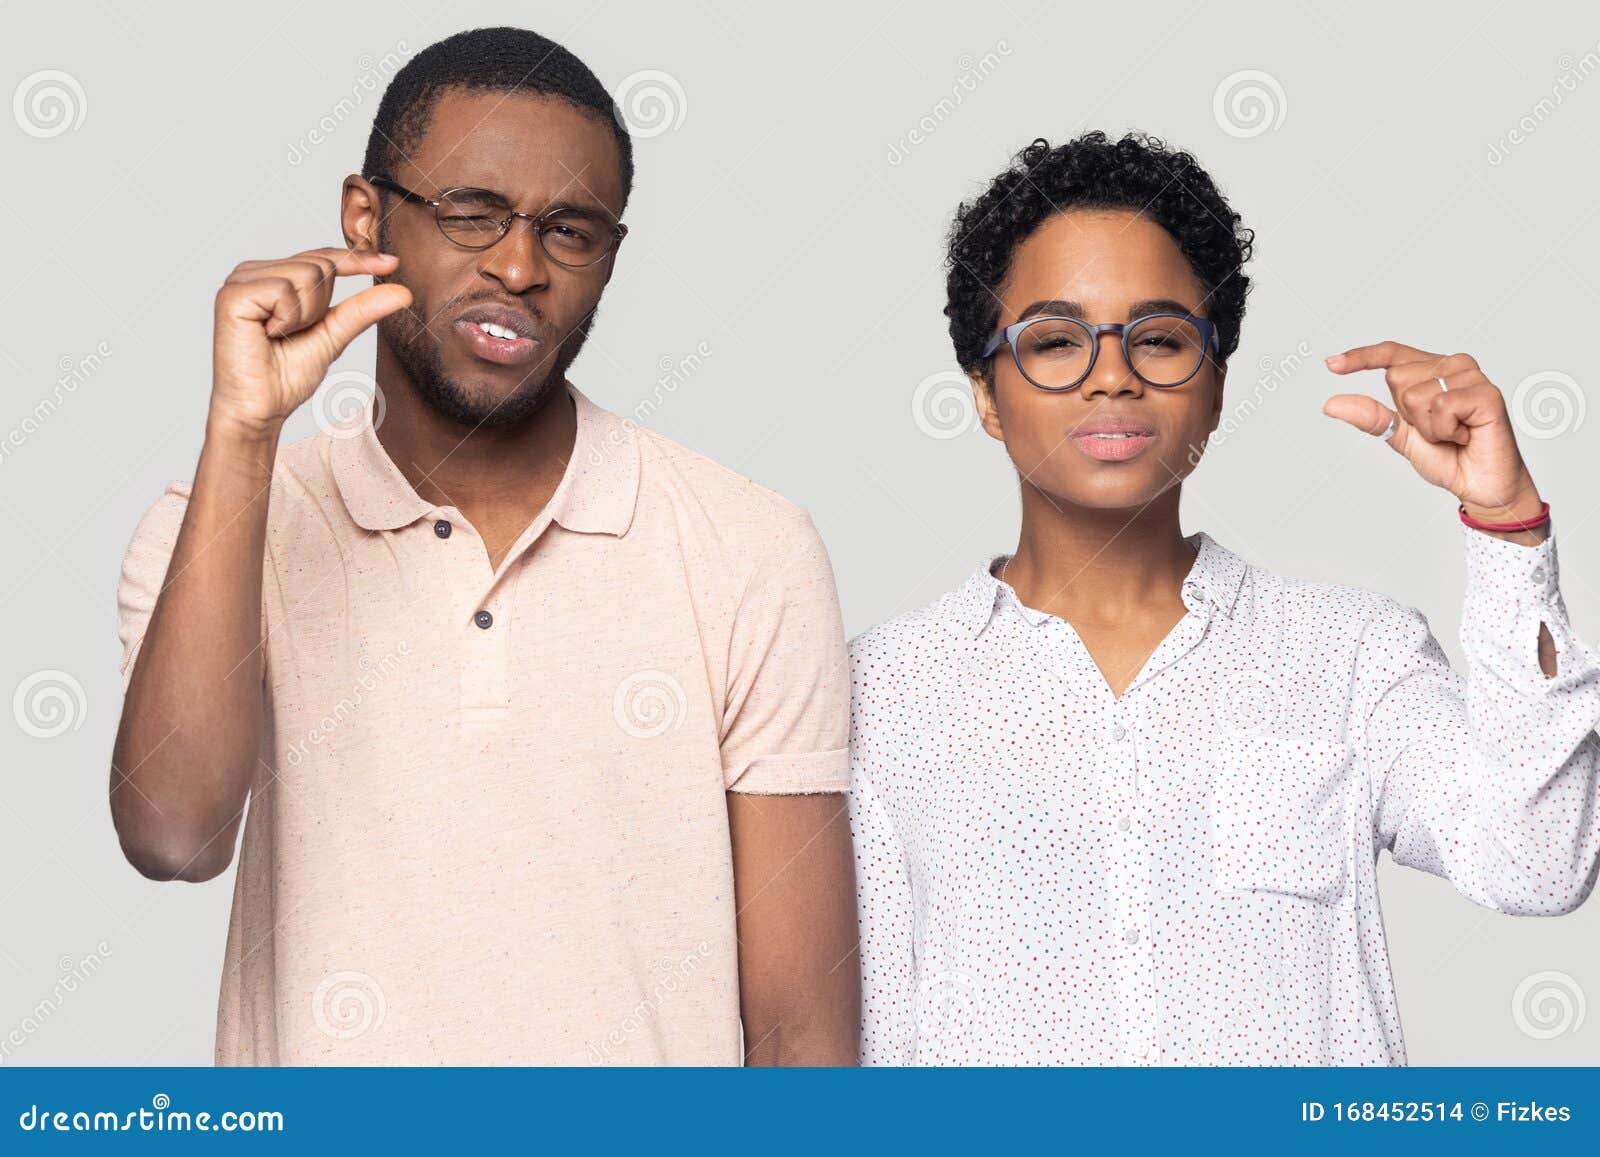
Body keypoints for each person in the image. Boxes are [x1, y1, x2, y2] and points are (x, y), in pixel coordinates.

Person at [110, 27, 858, 1066]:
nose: (518, 265)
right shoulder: (226, 519)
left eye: (569, 230)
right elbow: (173, 835)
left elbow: (802, 1033)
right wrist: (243, 432)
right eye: (472, 214)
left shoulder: (747, 546)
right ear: (365, 218)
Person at [847, 130, 1600, 1065]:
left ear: (1213, 384)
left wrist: (1509, 526)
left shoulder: (1352, 655)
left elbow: (1538, 862)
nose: (1112, 374)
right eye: (1054, 340)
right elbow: (873, 1032)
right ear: (987, 394)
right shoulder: (880, 689)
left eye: (1158, 338)